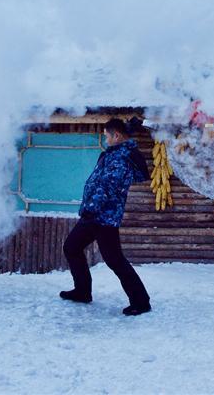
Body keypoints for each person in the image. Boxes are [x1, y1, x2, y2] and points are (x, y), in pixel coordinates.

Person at [60, 117, 152, 315]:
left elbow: (108, 186)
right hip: (97, 215)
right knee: (72, 247)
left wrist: (92, 207)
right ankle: (83, 291)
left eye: (107, 136)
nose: (105, 139)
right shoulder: (117, 153)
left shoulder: (120, 158)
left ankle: (141, 302)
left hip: (102, 217)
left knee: (114, 259)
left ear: (116, 135)